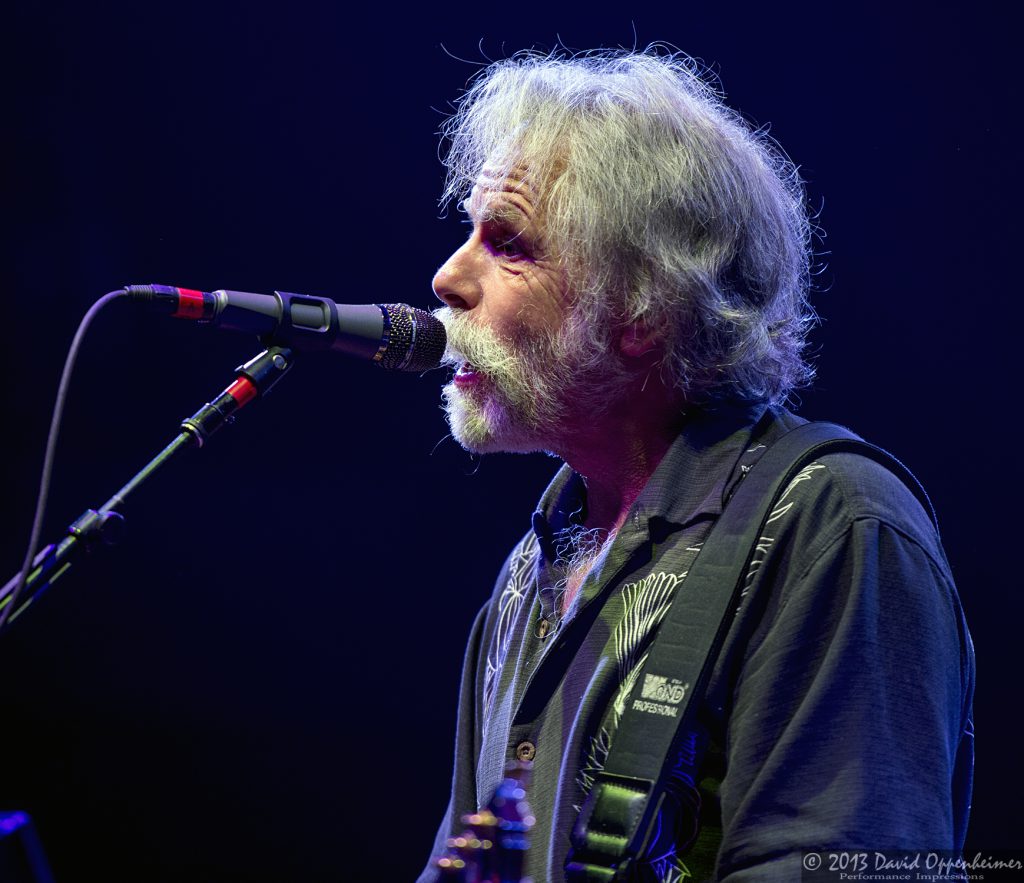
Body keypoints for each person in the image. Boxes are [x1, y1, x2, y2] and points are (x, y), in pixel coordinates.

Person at [419, 50, 974, 882]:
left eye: (509, 243)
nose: (448, 276)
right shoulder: (530, 569)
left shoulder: (835, 527)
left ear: (641, 307)